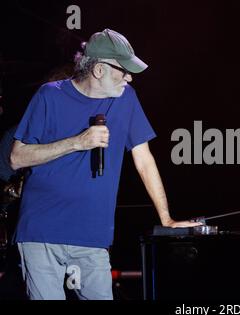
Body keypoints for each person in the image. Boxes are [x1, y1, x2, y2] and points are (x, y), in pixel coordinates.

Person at [9, 29, 201, 300]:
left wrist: (166, 218)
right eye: (123, 70)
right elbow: (17, 157)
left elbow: (144, 160)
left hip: (93, 235)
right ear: (99, 69)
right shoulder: (48, 96)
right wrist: (77, 142)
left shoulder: (126, 98)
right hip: (42, 232)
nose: (129, 77)